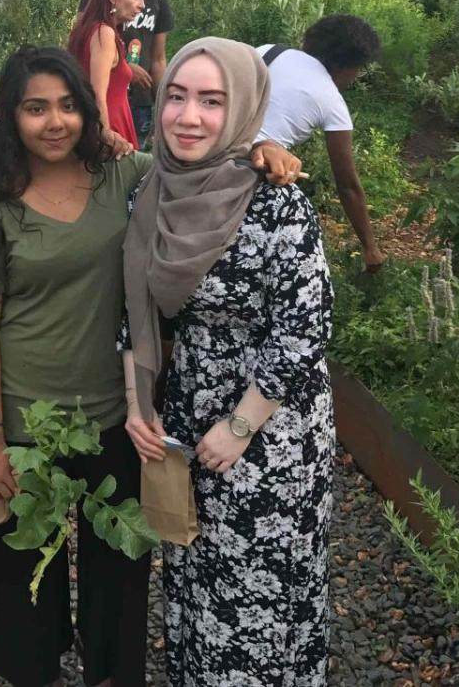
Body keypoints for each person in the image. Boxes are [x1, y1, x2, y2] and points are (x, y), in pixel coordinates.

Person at [122, 37, 335, 686]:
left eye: (212, 101)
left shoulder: (276, 202)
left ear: (242, 107)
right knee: (195, 568)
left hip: (271, 427)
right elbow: (132, 311)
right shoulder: (150, 195)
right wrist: (138, 407)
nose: (189, 116)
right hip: (188, 404)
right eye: (178, 97)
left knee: (258, 584)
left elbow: (307, 325)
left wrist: (241, 425)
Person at [0, 46, 154, 687]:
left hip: (111, 414)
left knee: (120, 567)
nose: (54, 122)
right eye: (36, 108)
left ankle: (109, 670)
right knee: (24, 577)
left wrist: (261, 151)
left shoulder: (121, 178)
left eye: (69, 106)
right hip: (26, 422)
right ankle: (33, 670)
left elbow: (198, 171)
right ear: (11, 117)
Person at [258, 13, 386, 270]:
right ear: (346, 66)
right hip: (252, 178)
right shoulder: (332, 101)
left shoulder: (269, 51)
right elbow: (348, 185)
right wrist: (370, 248)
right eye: (358, 70)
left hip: (207, 156)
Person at [79, 0, 174, 147]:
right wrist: (126, 67)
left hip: (139, 99)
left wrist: (163, 106)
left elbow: (159, 59)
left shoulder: (159, 0)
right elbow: (82, 43)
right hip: (105, 100)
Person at [67, 0, 149, 155]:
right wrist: (106, 134)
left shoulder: (93, 30)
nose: (142, 5)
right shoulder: (104, 33)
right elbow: (97, 93)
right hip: (111, 129)